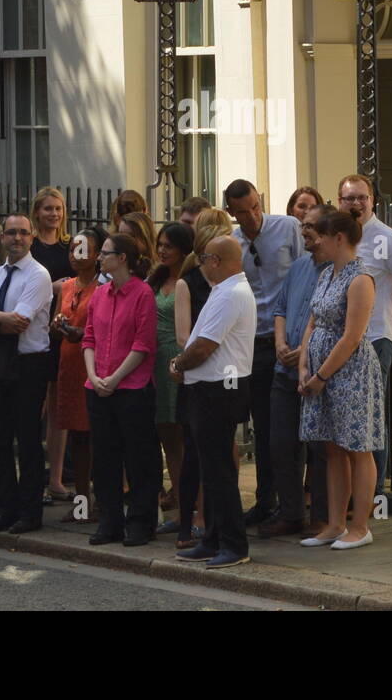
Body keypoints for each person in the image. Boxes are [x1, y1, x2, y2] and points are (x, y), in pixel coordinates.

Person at [170, 234, 256, 569]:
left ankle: (233, 544)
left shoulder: (230, 293)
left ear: (216, 261)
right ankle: (214, 539)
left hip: (219, 390)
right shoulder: (226, 290)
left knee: (219, 471)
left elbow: (205, 345)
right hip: (211, 387)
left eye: (204, 258)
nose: (201, 264)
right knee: (213, 468)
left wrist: (178, 364)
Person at [298, 210, 380, 551]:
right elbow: (313, 321)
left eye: (323, 236)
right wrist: (303, 363)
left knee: (356, 446)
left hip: (350, 372)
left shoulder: (360, 279)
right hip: (320, 371)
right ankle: (334, 523)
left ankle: (359, 526)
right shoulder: (326, 275)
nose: (317, 242)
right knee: (331, 447)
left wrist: (321, 374)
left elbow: (351, 336)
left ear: (339, 238)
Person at [224, 178, 303, 527]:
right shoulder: (234, 244)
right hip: (253, 344)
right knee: (263, 428)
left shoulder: (287, 228)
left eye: (256, 207)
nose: (253, 216)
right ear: (232, 213)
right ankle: (265, 501)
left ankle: (292, 506)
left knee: (286, 431)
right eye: (243, 212)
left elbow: (308, 275)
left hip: (288, 341)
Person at [0, 213, 54, 533]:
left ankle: (30, 513)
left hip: (27, 364)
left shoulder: (38, 275)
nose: (17, 238)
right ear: (1, 238)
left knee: (28, 441)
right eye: (11, 233)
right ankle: (4, 509)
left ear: (32, 238)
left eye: (23, 233)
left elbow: (22, 320)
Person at [338, 174, 392, 494]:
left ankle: (375, 494)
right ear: (339, 201)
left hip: (374, 339)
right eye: (349, 198)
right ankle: (350, 493)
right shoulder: (338, 237)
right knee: (347, 418)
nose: (356, 203)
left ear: (373, 201)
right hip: (340, 341)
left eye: (362, 197)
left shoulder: (386, 238)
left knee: (371, 417)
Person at [81, 232, 162, 547]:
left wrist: (114, 378)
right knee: (104, 459)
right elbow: (89, 339)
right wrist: (94, 375)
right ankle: (110, 521)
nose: (99, 257)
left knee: (138, 458)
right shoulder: (100, 294)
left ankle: (141, 522)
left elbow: (143, 345)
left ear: (122, 258)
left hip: (132, 387)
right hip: (98, 385)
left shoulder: (142, 294)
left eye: (105, 253)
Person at [263, 203, 332, 538]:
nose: (304, 231)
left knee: (320, 449)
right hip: (284, 369)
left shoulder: (340, 272)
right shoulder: (299, 267)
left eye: (311, 226)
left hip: (318, 373)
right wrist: (279, 343)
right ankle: (291, 512)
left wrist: (304, 351)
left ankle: (322, 516)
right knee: (281, 444)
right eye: (303, 225)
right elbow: (280, 308)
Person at [170, 208, 232, 547]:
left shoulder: (233, 283)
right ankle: (189, 520)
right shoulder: (188, 282)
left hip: (227, 378)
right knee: (193, 452)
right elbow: (184, 337)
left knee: (223, 451)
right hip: (197, 376)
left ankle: (218, 518)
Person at [52, 227, 105, 521]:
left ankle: (101, 503)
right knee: (78, 440)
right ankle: (81, 505)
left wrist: (80, 333)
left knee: (97, 438)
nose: (76, 254)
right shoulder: (67, 286)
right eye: (73, 248)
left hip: (93, 368)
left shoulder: (103, 287)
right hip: (69, 367)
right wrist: (58, 324)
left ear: (97, 255)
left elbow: (105, 332)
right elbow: (54, 323)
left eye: (83, 249)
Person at [31, 186, 73, 501]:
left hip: (62, 333)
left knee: (59, 409)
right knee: (35, 406)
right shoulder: (30, 246)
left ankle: (55, 478)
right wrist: (52, 287)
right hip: (35, 332)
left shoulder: (70, 247)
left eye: (58, 209)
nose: (54, 214)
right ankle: (32, 476)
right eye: (48, 208)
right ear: (37, 212)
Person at [148, 223, 194, 514]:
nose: (163, 250)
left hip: (178, 359)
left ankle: (190, 499)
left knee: (183, 433)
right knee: (165, 434)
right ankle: (177, 495)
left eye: (169, 245)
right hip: (154, 359)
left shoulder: (190, 280)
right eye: (160, 244)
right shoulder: (155, 278)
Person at [118, 210, 158, 279]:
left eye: (130, 236)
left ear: (145, 238)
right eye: (120, 235)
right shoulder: (115, 267)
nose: (123, 240)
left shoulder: (159, 271)